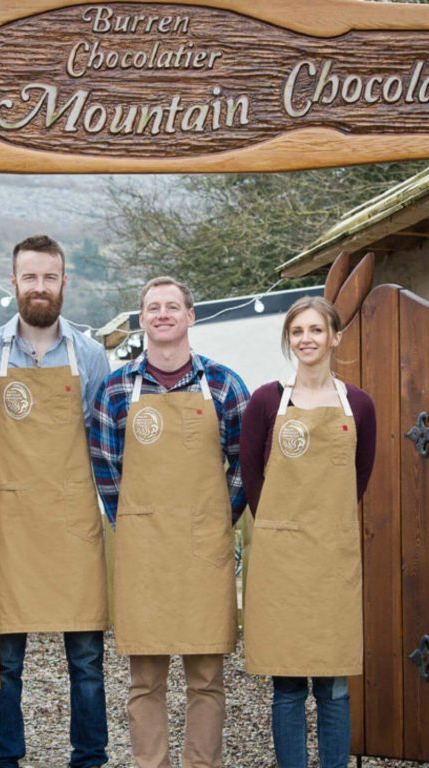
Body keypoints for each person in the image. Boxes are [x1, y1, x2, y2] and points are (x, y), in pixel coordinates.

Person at [0, 235, 110, 768]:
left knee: (87, 660)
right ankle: (5, 760)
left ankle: (90, 758)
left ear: (64, 283)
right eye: (30, 277)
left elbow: (105, 443)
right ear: (14, 282)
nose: (40, 287)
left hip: (72, 521)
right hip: (9, 524)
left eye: (50, 277)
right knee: (5, 660)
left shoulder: (90, 354)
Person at [90, 276, 250, 768]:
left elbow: (245, 463)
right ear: (142, 320)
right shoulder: (115, 389)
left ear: (190, 317)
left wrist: (215, 517)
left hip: (205, 549)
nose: (162, 314)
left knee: (206, 678)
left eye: (172, 306)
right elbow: (105, 468)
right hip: (144, 551)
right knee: (144, 681)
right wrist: (139, 522)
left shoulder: (223, 383)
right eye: (152, 307)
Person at [239, 296, 376, 768]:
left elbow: (360, 474)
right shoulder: (264, 401)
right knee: (288, 685)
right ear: (288, 341)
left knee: (335, 686)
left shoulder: (357, 404)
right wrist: (280, 524)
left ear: (335, 337)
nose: (307, 339)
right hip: (281, 561)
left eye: (316, 330)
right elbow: (251, 474)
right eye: (298, 332)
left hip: (332, 560)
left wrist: (327, 522)